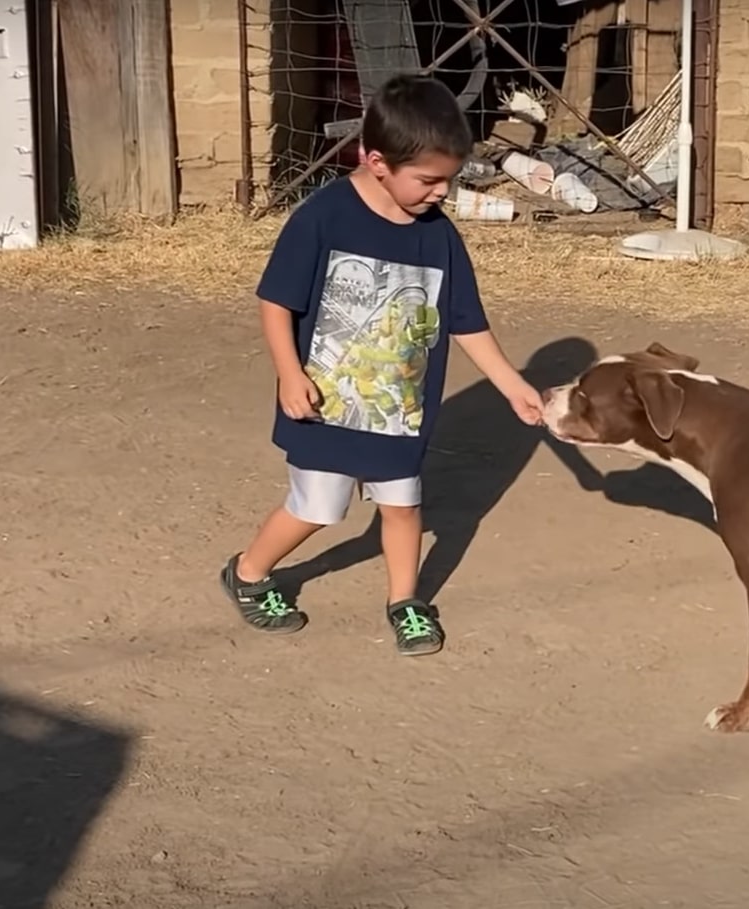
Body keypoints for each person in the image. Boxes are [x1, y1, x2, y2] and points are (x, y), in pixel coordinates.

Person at [217, 74, 543, 657]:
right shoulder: (323, 217)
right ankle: (247, 573)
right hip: (325, 403)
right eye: (429, 180)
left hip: (399, 406)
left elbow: (464, 321)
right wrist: (290, 375)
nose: (442, 192)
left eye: (450, 179)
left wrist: (513, 384)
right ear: (377, 162)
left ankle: (405, 602)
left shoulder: (439, 237)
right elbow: (276, 301)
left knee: (403, 507)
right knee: (318, 509)